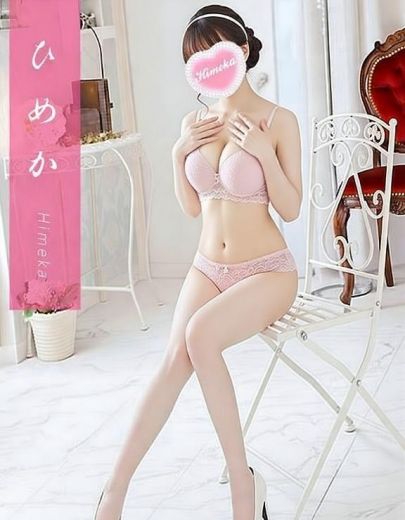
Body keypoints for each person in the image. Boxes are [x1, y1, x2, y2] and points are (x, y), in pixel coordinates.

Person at [95, 4, 302, 520]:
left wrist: (263, 152)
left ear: (243, 51)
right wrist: (177, 153)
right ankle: (112, 495)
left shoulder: (278, 121)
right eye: (196, 58)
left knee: (200, 337)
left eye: (216, 53)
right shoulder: (195, 122)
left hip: (268, 271)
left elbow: (292, 209)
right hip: (208, 266)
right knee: (174, 360)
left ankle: (242, 488)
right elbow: (192, 207)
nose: (207, 65)